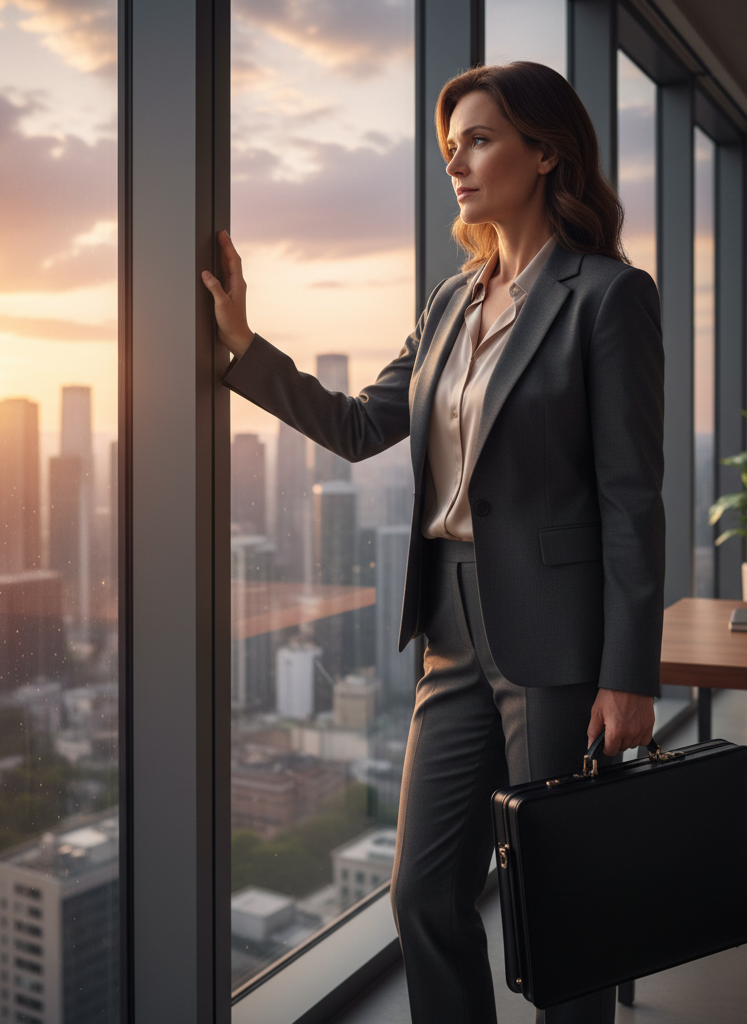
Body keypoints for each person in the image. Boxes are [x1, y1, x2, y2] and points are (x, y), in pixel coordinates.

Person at [203, 61, 664, 1024]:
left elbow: (631, 500)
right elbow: (363, 425)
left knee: (562, 900)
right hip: (450, 628)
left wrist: (631, 672)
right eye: (451, 146)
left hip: (560, 641)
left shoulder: (608, 297)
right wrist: (244, 348)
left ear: (545, 153)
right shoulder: (452, 301)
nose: (458, 162)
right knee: (421, 895)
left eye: (482, 140)